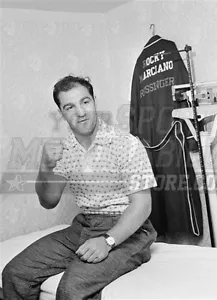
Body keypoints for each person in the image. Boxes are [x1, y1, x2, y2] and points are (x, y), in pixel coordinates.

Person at [2, 75, 157, 300]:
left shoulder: (126, 143)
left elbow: (143, 205)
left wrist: (107, 241)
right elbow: (49, 201)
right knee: (15, 274)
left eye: (85, 102)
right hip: (83, 225)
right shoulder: (65, 149)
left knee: (71, 290)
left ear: (94, 100)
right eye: (70, 106)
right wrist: (45, 167)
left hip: (129, 229)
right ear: (61, 113)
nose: (81, 112)